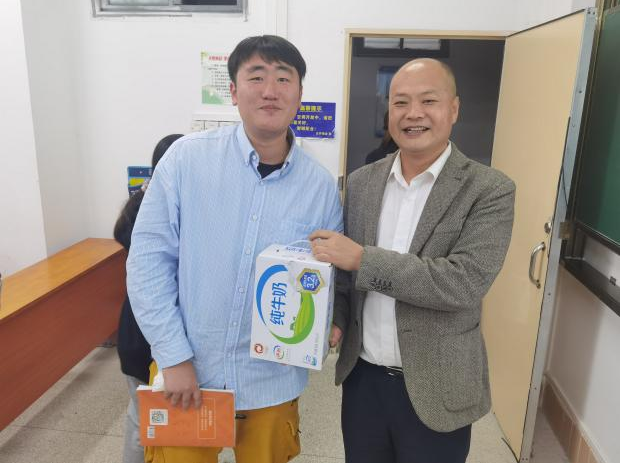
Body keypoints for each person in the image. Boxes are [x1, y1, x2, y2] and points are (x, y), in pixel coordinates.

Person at [126, 35, 343, 463]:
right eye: (256, 77)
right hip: (189, 373)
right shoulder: (186, 161)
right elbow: (148, 263)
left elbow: (326, 277)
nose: (270, 90)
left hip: (273, 379)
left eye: (284, 78)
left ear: (300, 93)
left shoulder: (320, 187)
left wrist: (326, 327)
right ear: (233, 90)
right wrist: (173, 357)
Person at [310, 58, 515, 463]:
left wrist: (363, 259)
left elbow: (463, 283)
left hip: (438, 385)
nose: (413, 113)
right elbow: (347, 280)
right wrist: (337, 318)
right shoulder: (361, 182)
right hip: (363, 380)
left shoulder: (489, 189)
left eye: (428, 101)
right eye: (400, 102)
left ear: (453, 109)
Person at [113, 133, 183, 463]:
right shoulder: (157, 212)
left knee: (142, 416)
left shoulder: (140, 203)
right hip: (147, 339)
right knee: (145, 419)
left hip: (138, 335)